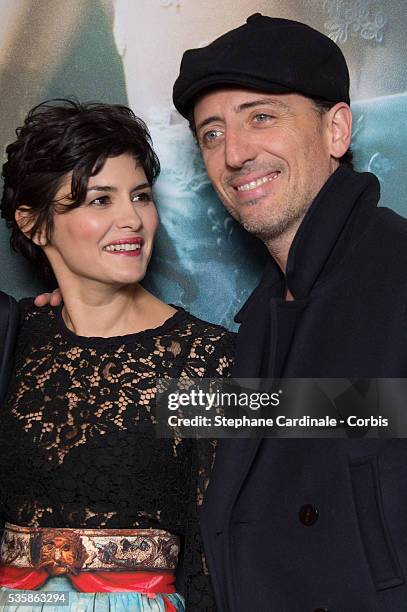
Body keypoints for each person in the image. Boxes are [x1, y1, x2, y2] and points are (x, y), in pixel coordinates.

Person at [171, 14, 407, 612]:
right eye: (212, 134)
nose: (236, 153)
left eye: (262, 116)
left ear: (337, 130)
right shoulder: (261, 322)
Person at [0, 100, 234, 611]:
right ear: (34, 225)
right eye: (100, 200)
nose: (132, 219)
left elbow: (211, 558)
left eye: (141, 197)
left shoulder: (205, 360)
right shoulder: (13, 337)